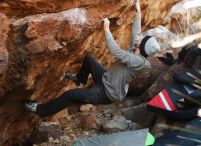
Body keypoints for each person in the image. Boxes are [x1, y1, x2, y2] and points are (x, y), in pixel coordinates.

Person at [24, 0, 161, 117]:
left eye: (142, 39)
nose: (140, 37)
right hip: (106, 79)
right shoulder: (137, 51)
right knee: (89, 59)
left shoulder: (139, 62)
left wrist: (106, 29)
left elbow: (115, 52)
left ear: (141, 46)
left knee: (70, 95)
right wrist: (138, 11)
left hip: (107, 93)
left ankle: (41, 110)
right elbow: (136, 31)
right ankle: (80, 79)